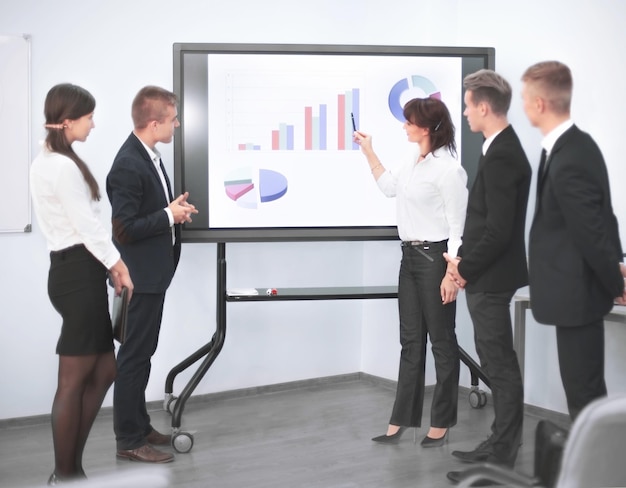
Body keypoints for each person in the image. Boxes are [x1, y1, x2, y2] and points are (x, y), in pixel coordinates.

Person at [29, 83, 134, 485]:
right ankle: (67, 472)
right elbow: (87, 227)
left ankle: (70, 467)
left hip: (78, 272)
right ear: (69, 120)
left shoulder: (55, 158)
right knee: (73, 380)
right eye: (89, 117)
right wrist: (117, 264)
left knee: (105, 368)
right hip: (77, 274)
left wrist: (106, 266)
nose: (93, 124)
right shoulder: (59, 165)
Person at [353, 97, 468, 447]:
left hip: (437, 260)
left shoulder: (450, 170)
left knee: (442, 343)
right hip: (409, 258)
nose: (404, 125)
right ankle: (401, 419)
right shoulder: (412, 160)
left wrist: (452, 273)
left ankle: (442, 422)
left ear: (429, 126)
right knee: (410, 342)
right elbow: (389, 188)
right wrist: (368, 151)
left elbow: (458, 228)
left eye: (409, 121)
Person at [521, 61, 626, 420]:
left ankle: (596, 472)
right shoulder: (575, 146)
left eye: (525, 98)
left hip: (577, 295)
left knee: (584, 397)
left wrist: (615, 281)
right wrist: (618, 266)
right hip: (575, 294)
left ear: (539, 104)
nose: (523, 105)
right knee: (584, 393)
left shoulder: (569, 156)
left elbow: (592, 230)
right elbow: (605, 218)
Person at [442, 70, 531, 484]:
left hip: (490, 279)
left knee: (501, 367)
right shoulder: (499, 148)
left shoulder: (504, 155)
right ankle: (498, 445)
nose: (463, 112)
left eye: (466, 104)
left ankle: (501, 458)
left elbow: (498, 230)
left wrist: (463, 268)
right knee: (498, 363)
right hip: (487, 277)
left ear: (482, 106)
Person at [107, 86, 198, 463]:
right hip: (138, 278)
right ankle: (129, 440)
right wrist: (167, 216)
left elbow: (149, 210)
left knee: (143, 354)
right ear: (155, 122)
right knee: (133, 357)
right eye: (174, 119)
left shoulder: (150, 156)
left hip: (152, 275)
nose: (178, 125)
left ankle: (140, 426)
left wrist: (170, 210)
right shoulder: (128, 163)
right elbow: (123, 228)